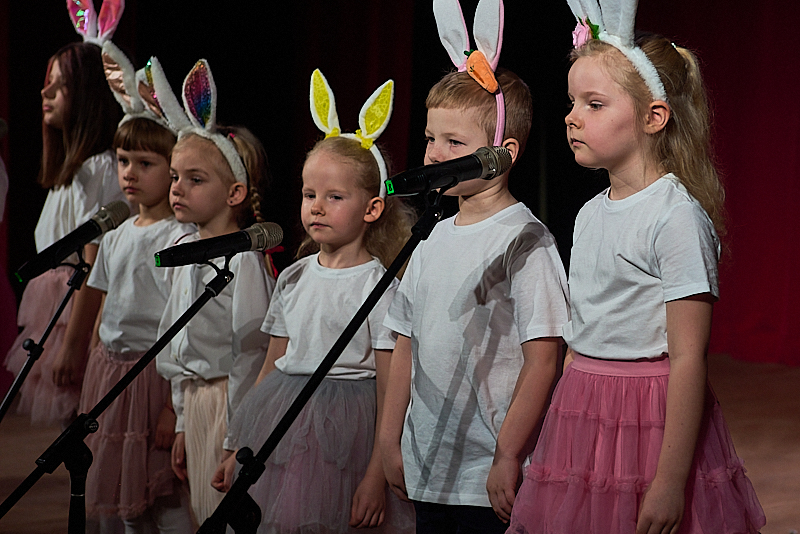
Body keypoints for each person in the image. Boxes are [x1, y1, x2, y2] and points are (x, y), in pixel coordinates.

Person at [506, 3, 766, 533]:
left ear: (653, 117)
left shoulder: (674, 217)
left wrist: (670, 481)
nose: (572, 116)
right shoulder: (589, 213)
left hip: (648, 413)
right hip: (585, 406)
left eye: (594, 104)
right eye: (572, 101)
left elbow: (689, 358)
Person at [379, 1, 571, 532]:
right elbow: (404, 342)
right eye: (429, 138)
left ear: (502, 152)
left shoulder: (525, 240)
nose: (435, 154)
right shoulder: (432, 237)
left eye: (455, 142)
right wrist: (387, 440)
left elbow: (543, 359)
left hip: (488, 471)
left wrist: (508, 454)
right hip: (428, 463)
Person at [212, 69, 416, 534]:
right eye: (309, 194)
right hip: (286, 418)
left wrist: (375, 475)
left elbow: (390, 383)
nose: (316, 207)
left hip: (350, 429)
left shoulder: (378, 286)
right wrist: (239, 447)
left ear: (372, 208)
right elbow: (271, 367)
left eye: (334, 196)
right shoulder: (295, 277)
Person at [72, 46, 195, 534]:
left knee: (159, 486)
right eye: (123, 160)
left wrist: (170, 404)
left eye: (145, 163)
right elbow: (101, 300)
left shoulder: (178, 238)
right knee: (120, 487)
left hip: (153, 374)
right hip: (112, 368)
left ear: (172, 169)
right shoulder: (116, 233)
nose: (129, 173)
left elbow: (179, 322)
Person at [155, 60, 274, 525]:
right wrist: (183, 420)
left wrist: (236, 434)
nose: (177, 188)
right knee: (201, 513)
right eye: (174, 177)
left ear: (235, 192)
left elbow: (251, 351)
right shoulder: (182, 248)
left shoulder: (243, 259)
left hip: (231, 403)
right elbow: (176, 344)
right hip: (199, 401)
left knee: (226, 514)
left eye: (195, 179)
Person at [4, 38, 124, 426]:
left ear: (87, 94)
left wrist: (73, 345)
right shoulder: (69, 174)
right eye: (47, 82)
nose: (46, 92)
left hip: (79, 318)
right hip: (55, 314)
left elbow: (94, 265)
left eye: (61, 86)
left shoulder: (101, 170)